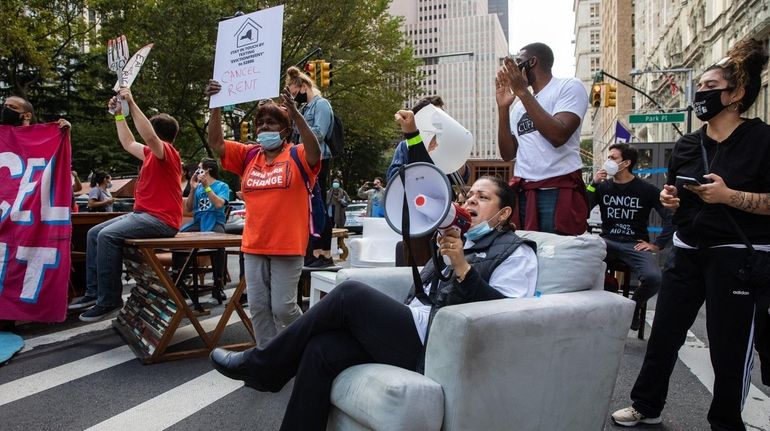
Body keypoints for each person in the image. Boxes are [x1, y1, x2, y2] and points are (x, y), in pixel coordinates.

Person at [209, 171, 539, 431]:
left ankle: (263, 366)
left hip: (439, 345)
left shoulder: (515, 252)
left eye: (483, 198)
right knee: (321, 348)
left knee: (350, 294)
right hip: (415, 330)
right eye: (468, 196)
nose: (469, 203)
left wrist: (464, 269)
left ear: (504, 212)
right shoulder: (458, 241)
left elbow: (507, 316)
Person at [612, 38, 770, 430]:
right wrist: (671, 199)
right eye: (699, 87)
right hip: (686, 251)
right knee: (664, 333)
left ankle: (725, 422)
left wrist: (729, 196)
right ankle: (646, 405)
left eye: (711, 87)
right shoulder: (688, 143)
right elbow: (675, 196)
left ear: (736, 95)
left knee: (729, 346)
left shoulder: (763, 140)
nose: (701, 94)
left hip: (738, 256)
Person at [205, 80, 320, 346]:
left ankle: (308, 349)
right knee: (258, 307)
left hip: (287, 246)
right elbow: (216, 143)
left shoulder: (297, 154)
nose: (264, 127)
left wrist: (296, 113)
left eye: (272, 122)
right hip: (254, 245)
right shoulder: (248, 156)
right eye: (261, 122)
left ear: (285, 130)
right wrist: (216, 106)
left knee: (284, 308)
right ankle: (268, 359)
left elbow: (314, 150)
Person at [70, 87, 183, 321]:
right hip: (143, 215)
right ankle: (94, 293)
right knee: (93, 234)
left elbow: (149, 137)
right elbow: (127, 142)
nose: (145, 135)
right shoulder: (151, 155)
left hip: (161, 220)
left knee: (106, 236)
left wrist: (131, 103)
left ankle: (110, 300)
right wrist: (119, 114)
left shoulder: (168, 152)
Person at [495, 42, 589, 235]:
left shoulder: (569, 86)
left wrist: (522, 92)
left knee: (556, 252)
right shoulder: (519, 107)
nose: (514, 69)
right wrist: (503, 108)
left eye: (518, 62)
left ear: (532, 62)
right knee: (528, 252)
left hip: (557, 188)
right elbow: (507, 153)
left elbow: (558, 135)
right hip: (525, 191)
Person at [586, 143, 674, 330]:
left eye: (612, 158)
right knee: (583, 266)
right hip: (607, 241)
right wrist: (593, 185)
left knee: (653, 278)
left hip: (634, 244)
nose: (608, 161)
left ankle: (633, 307)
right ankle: (605, 305)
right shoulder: (603, 188)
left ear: (625, 163)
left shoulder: (646, 189)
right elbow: (583, 209)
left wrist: (657, 245)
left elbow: (670, 218)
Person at [285, 66, 336, 268]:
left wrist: (300, 123)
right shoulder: (305, 109)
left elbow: (320, 133)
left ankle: (324, 252)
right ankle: (313, 251)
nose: (294, 97)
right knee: (311, 205)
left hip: (320, 158)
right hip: (304, 159)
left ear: (304, 86)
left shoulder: (321, 105)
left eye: (295, 92)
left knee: (319, 203)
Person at [172, 158, 231, 303]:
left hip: (215, 220)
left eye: (199, 168)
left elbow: (218, 204)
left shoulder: (222, 186)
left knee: (219, 243)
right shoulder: (197, 187)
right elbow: (188, 208)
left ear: (207, 170)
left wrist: (207, 187)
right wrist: (192, 189)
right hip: (198, 221)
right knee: (176, 240)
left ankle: (218, 285)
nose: (197, 171)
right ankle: (180, 282)